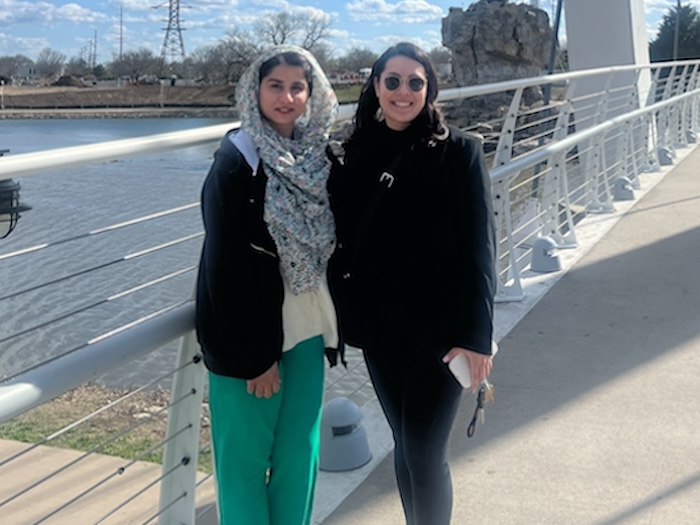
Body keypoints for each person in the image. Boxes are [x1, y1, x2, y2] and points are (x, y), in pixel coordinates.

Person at [328, 42, 497, 525]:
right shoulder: (352, 153)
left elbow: (480, 250)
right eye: (393, 81)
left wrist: (477, 338)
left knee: (424, 453)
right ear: (376, 86)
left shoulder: (460, 152)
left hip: (441, 334)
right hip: (381, 330)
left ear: (430, 88)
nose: (404, 92)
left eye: (415, 82)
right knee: (405, 445)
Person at [195, 45, 340, 525]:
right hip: (250, 339)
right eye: (275, 85)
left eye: (298, 87)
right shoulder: (238, 160)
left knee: (300, 451)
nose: (287, 97)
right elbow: (225, 266)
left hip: (307, 326)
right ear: (254, 91)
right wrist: (254, 358)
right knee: (244, 464)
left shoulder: (319, 156)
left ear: (311, 93)